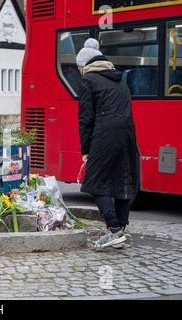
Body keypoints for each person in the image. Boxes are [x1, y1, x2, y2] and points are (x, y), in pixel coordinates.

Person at [76, 38, 140, 249]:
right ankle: (121, 228)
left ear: (84, 66)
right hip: (128, 133)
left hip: (105, 133)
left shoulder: (88, 81)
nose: (79, 72)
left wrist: (85, 149)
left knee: (95, 181)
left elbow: (86, 119)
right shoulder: (119, 78)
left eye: (78, 68)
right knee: (123, 179)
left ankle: (113, 229)